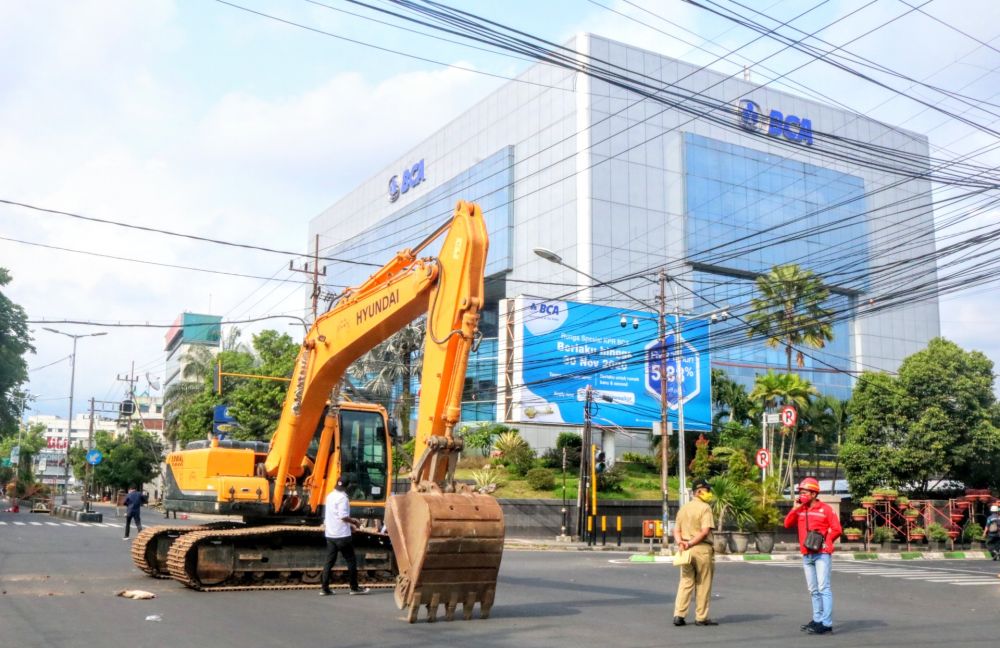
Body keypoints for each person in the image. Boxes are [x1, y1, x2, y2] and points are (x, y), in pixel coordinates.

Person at [784, 476, 842, 635]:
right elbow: (787, 524)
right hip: (806, 554)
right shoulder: (801, 509)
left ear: (814, 494)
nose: (802, 495)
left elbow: (837, 529)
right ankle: (817, 620)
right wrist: (795, 508)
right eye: (800, 492)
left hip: (822, 554)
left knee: (824, 588)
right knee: (813, 590)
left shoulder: (826, 509)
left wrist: (826, 541)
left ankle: (827, 623)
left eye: (805, 492)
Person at [672, 478, 717, 627]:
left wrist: (681, 543)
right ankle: (701, 617)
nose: (709, 493)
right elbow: (705, 531)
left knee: (685, 582)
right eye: (707, 490)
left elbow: (676, 530)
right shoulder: (705, 508)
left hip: (685, 550)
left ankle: (679, 615)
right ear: (698, 491)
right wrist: (691, 542)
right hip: (701, 549)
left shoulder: (683, 508)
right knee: (703, 583)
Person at [319, 478, 370, 596]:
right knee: (351, 561)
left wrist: (349, 526)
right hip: (342, 535)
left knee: (329, 562)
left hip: (330, 534)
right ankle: (354, 587)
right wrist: (354, 522)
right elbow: (342, 516)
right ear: (347, 486)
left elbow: (334, 515)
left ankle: (324, 588)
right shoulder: (343, 498)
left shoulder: (330, 496)